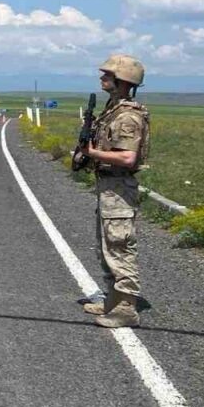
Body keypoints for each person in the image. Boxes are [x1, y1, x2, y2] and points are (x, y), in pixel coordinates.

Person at [79, 54, 150, 328]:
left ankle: (126, 309)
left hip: (119, 188)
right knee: (106, 247)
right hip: (109, 186)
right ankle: (112, 301)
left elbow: (128, 158)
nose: (101, 78)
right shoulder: (113, 109)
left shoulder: (128, 117)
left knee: (119, 247)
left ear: (122, 81)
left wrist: (92, 152)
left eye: (107, 74)